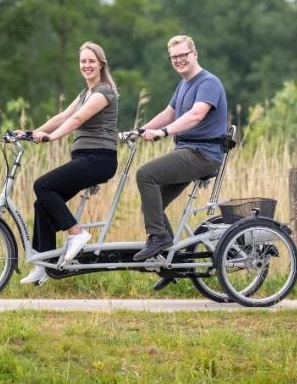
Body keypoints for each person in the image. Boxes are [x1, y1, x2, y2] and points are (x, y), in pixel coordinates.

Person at [16, 41, 119, 285]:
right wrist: (32, 133)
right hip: (85, 158)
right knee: (43, 203)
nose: (86, 65)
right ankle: (44, 264)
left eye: (91, 61)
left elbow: (78, 118)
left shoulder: (103, 92)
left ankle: (77, 233)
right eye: (83, 61)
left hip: (100, 158)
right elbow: (63, 116)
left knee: (43, 185)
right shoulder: (85, 93)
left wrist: (52, 137)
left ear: (101, 64)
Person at [132, 35, 228, 288]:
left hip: (203, 154)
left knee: (145, 175)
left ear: (194, 53)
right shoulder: (183, 84)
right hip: (188, 152)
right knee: (152, 205)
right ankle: (171, 263)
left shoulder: (209, 82)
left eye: (183, 55)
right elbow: (169, 113)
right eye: (174, 57)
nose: (179, 60)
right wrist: (141, 130)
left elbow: (196, 116)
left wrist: (164, 133)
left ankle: (159, 238)